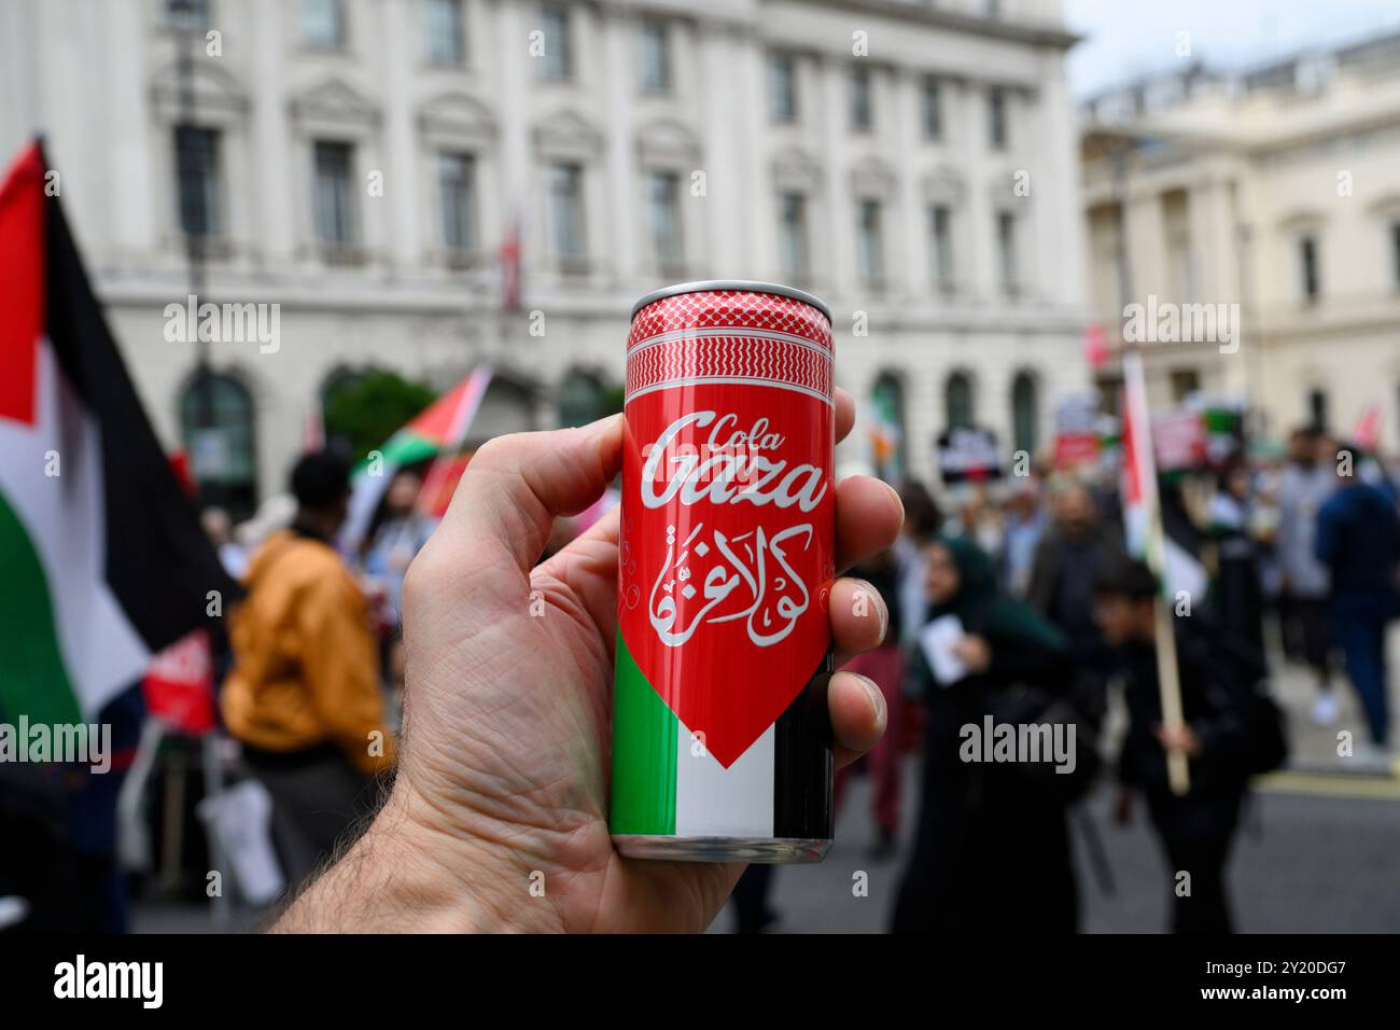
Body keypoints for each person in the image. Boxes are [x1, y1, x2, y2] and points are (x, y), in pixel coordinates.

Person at [272, 397, 903, 932]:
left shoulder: (281, 561)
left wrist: (459, 861)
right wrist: (444, 827)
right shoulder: (320, 575)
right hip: (326, 757)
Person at [222, 451, 397, 893]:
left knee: (306, 879)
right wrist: (384, 765)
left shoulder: (273, 553)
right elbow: (343, 697)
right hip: (308, 752)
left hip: (262, 738)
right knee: (355, 882)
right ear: (343, 501)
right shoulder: (323, 577)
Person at [891, 536, 1080, 934]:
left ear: (969, 572)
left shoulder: (996, 612)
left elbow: (1059, 658)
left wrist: (993, 661)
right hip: (949, 767)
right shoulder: (942, 613)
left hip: (997, 773)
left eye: (944, 567)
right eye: (929, 566)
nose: (931, 577)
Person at [1094, 556, 1260, 934]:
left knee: (1193, 889)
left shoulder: (1194, 646)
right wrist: (1127, 782)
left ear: (1143, 607)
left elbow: (1243, 717)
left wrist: (1200, 738)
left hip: (1209, 791)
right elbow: (1140, 722)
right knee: (1197, 890)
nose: (1100, 618)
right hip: (1165, 792)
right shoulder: (1132, 652)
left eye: (1111, 607)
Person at [1315, 443, 1400, 758]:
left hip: (1350, 597)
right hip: (1380, 594)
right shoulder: (1381, 499)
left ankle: (1377, 736)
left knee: (1361, 665)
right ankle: (1381, 729)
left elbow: (1324, 553)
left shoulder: (1334, 506)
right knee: (1376, 664)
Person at [1277, 427, 1336, 725]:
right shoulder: (1287, 481)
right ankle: (1324, 687)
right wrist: (1284, 569)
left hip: (1334, 574)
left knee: (1335, 634)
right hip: (1302, 575)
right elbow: (1284, 530)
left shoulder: (1331, 478)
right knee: (1313, 636)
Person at [1206, 457, 1266, 665]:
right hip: (1231, 567)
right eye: (1236, 478)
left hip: (1248, 564)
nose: (1242, 483)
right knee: (1236, 614)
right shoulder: (1219, 504)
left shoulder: (1248, 502)